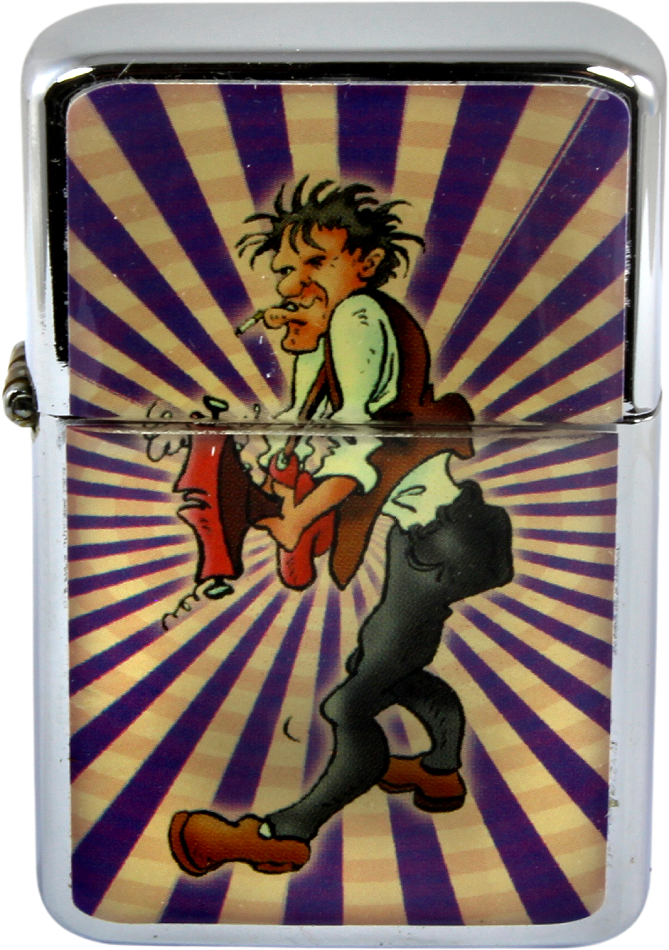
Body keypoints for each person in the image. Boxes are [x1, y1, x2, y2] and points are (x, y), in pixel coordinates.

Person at [166, 179, 514, 877]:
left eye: (315, 263)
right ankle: (441, 771)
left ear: (366, 262)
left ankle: (283, 834)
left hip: (441, 543)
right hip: (441, 535)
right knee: (392, 667)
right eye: (286, 270)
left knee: (349, 702)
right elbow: (312, 429)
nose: (295, 283)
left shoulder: (357, 313)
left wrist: (298, 516)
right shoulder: (345, 326)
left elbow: (360, 442)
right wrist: (299, 345)